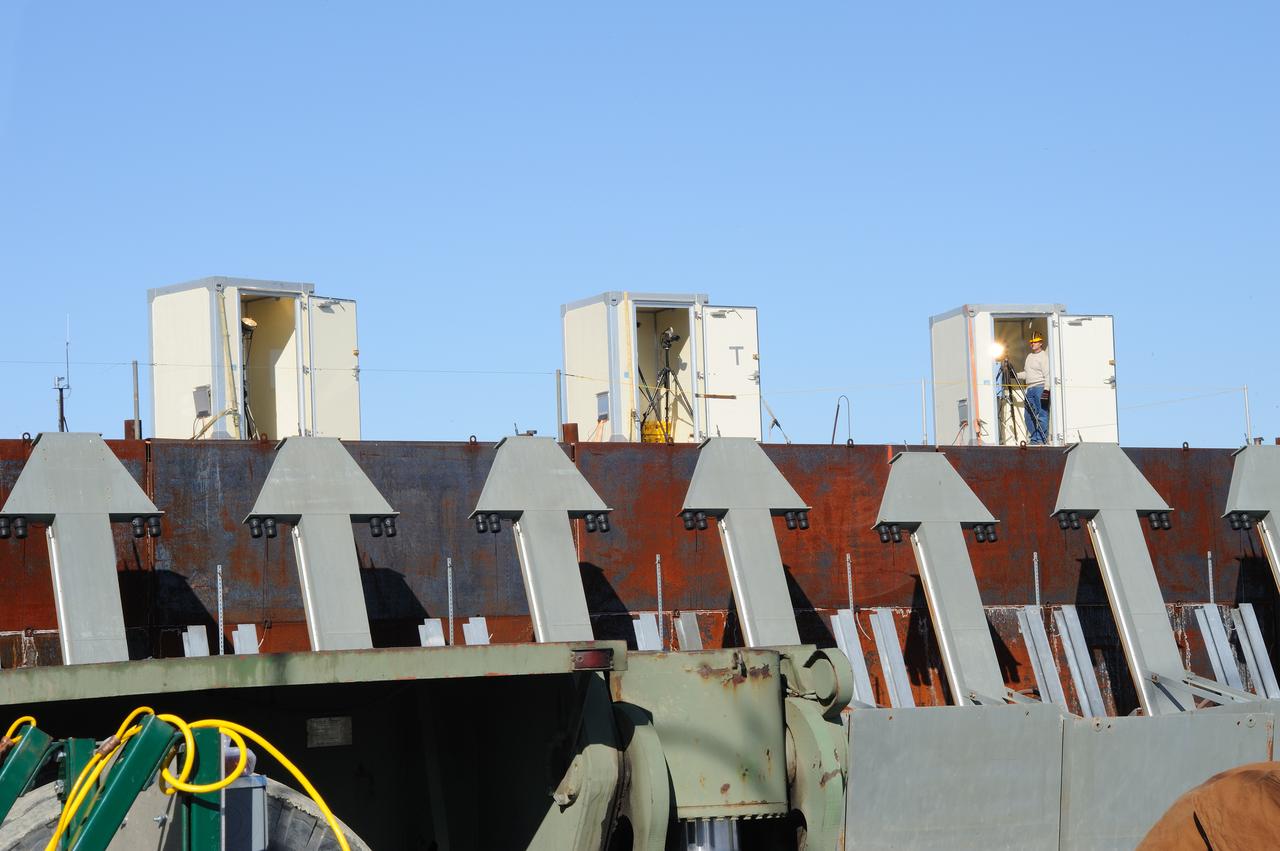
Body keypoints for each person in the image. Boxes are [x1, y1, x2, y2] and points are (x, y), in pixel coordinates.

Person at [1017, 332, 1049, 444]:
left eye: (1035, 342)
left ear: (1040, 343)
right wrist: (1015, 375)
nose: (1033, 344)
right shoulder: (1029, 357)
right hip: (1029, 389)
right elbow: (1027, 374)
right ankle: (1034, 439)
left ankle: (1041, 440)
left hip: (1040, 388)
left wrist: (1046, 390)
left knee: (1042, 415)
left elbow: (1048, 375)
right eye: (1031, 342)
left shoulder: (1044, 357)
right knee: (1028, 416)